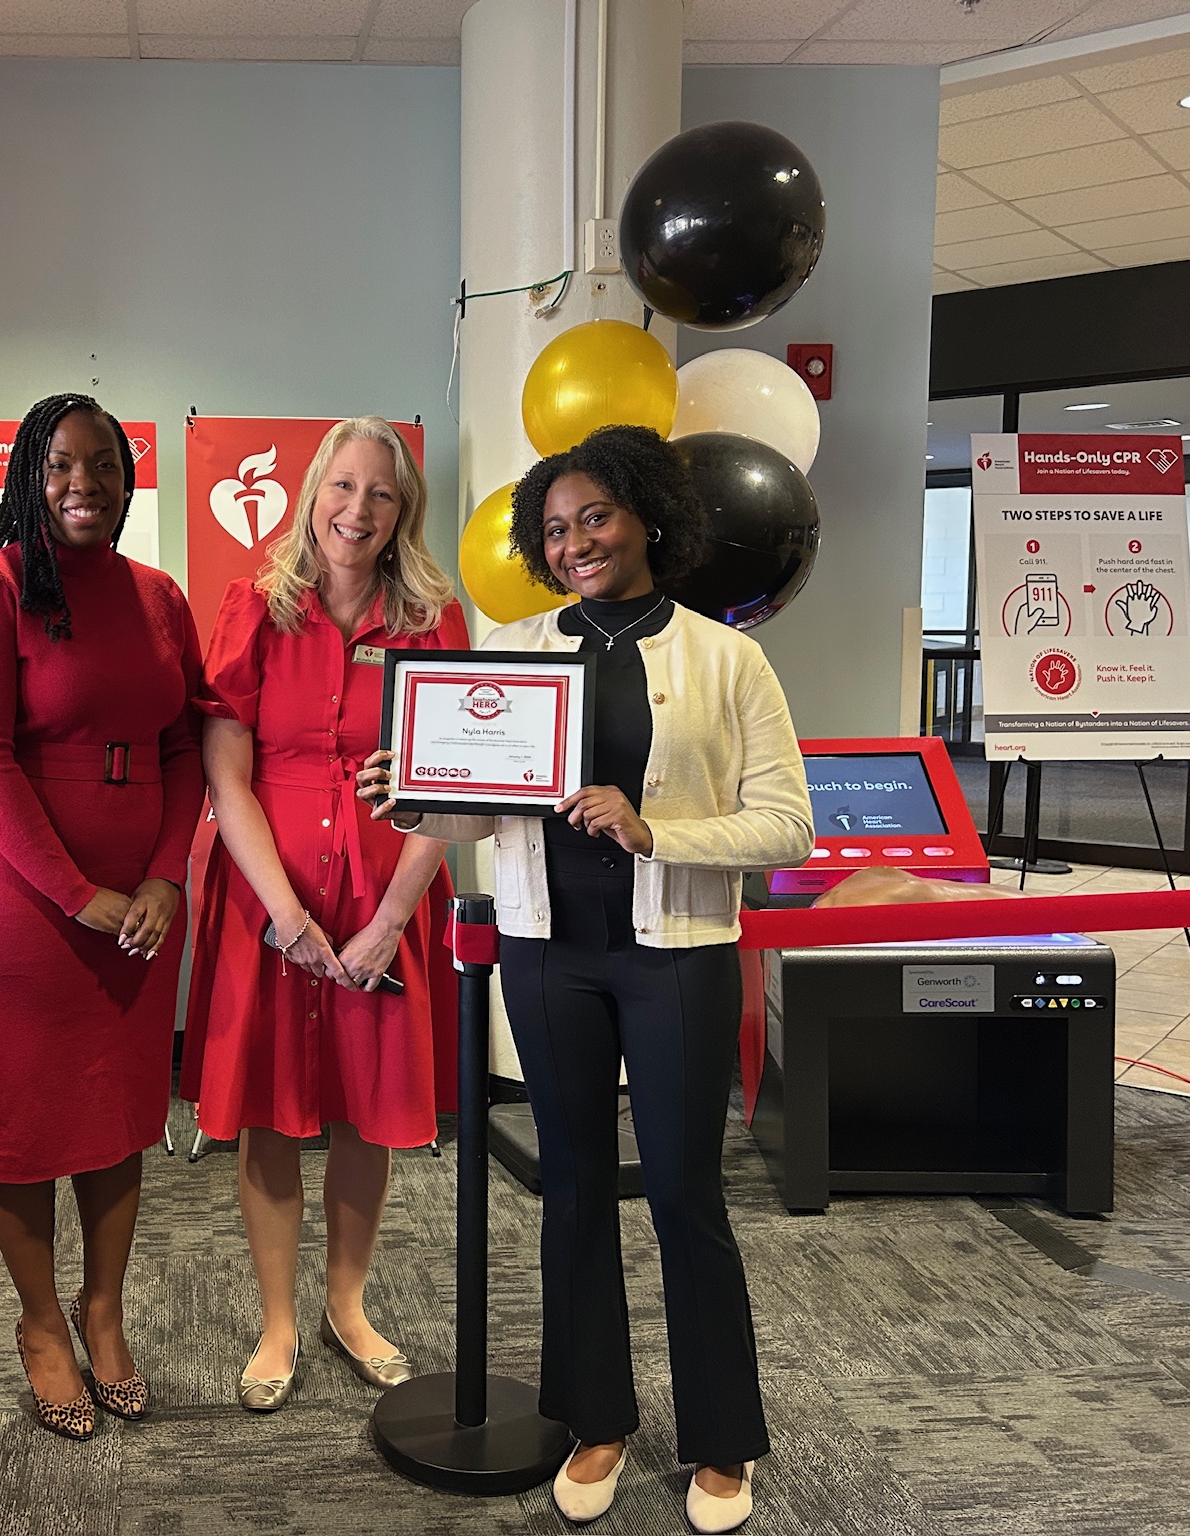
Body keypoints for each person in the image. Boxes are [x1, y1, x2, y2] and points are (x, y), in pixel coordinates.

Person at [357, 425, 812, 1532]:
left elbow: (787, 826)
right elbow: (486, 806)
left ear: (647, 516)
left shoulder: (725, 657)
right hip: (546, 950)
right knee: (568, 1194)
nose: (574, 544)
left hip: (674, 954)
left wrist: (652, 831)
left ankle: (720, 1440)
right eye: (554, 529)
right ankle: (595, 1417)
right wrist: (411, 795)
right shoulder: (515, 650)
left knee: (679, 1196)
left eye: (593, 518)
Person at [0, 393, 204, 1440]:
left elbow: (181, 747)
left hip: (138, 907)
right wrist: (76, 893)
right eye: (56, 467)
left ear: (127, 477)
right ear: (25, 480)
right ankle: (40, 1324)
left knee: (116, 1116)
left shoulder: (157, 595)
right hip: (17, 908)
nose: (81, 484)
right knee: (23, 1128)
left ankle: (102, 1313)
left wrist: (166, 878)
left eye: (100, 464)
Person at [183, 416, 467, 1413]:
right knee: (268, 1113)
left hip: (385, 901)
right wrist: (285, 916)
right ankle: (278, 1324)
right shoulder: (252, 607)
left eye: (379, 495)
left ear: (402, 514)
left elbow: (454, 781)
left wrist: (389, 919)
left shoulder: (432, 619)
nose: (356, 510)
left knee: (363, 1113)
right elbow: (226, 771)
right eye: (341, 488)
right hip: (268, 902)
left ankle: (348, 1307)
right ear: (312, 495)